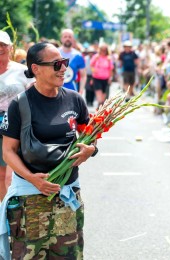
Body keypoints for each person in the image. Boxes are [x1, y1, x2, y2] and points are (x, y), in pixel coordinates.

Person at [0, 42, 97, 259]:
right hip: (30, 199)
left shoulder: (75, 100)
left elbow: (90, 136)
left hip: (67, 195)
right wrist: (33, 179)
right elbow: (8, 151)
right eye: (57, 64)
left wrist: (90, 150)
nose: (63, 69)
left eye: (65, 63)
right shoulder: (20, 104)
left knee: (68, 255)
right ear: (36, 69)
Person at [0, 31, 34, 201]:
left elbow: (37, 94)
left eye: (3, 44)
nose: (0, 48)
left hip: (17, 129)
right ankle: (4, 215)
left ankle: (14, 215)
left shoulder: (23, 71)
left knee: (10, 177)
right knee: (0, 176)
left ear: (10, 48)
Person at [58, 29, 87, 94]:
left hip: (72, 89)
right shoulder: (55, 53)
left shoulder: (78, 55)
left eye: (70, 37)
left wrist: (81, 91)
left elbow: (83, 76)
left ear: (73, 39)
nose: (67, 38)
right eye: (65, 36)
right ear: (61, 39)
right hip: (56, 88)